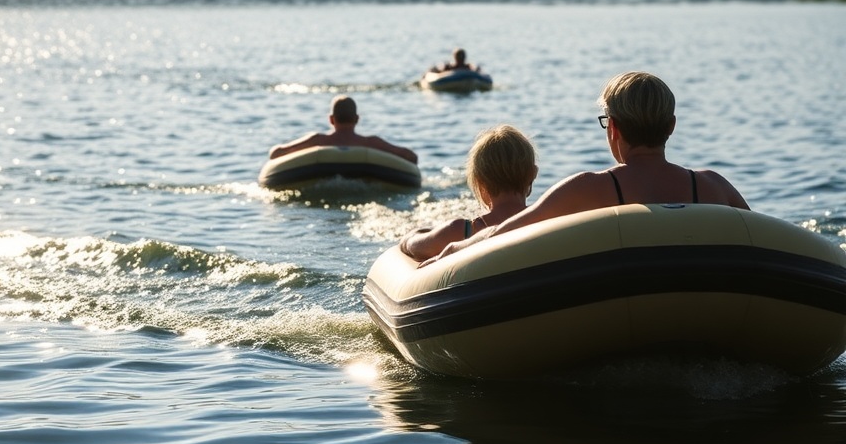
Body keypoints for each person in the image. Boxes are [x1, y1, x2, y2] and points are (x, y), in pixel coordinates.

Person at [421, 71, 750, 266]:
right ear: (672, 126)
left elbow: (505, 233)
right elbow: (765, 241)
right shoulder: (713, 186)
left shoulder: (587, 189)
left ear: (613, 129)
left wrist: (452, 250)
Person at [399, 125, 537, 261]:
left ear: (478, 182)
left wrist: (412, 235)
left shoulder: (459, 232)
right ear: (533, 174)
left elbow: (412, 245)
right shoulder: (549, 220)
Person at [268, 95, 418, 163]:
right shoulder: (370, 143)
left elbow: (276, 153)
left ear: (331, 119)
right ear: (357, 119)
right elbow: (411, 156)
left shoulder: (318, 141)